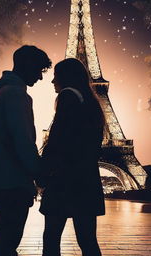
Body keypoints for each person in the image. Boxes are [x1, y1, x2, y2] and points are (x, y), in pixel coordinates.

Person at [0, 45, 51, 256]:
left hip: (2, 179)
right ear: (28, 66)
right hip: (13, 181)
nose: (40, 77)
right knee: (7, 241)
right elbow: (22, 140)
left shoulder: (4, 92)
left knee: (2, 239)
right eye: (39, 70)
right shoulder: (15, 94)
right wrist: (39, 172)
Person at [38, 58, 106, 256]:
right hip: (86, 180)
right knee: (87, 240)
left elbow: (58, 139)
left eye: (55, 76)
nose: (52, 82)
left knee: (51, 237)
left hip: (64, 181)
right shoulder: (91, 103)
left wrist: (43, 171)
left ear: (66, 77)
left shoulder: (68, 96)